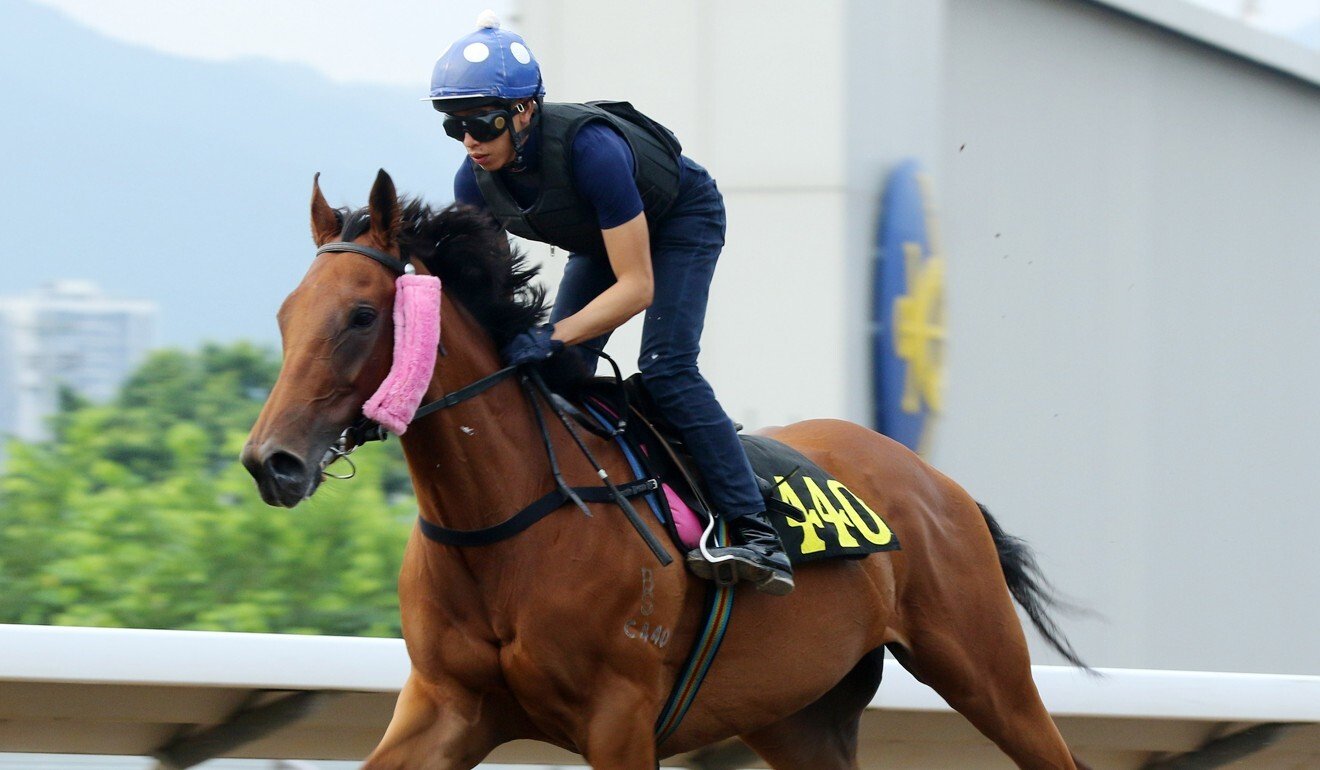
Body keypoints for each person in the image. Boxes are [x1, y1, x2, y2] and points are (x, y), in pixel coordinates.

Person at [426, 12, 793, 595]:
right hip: (601, 237)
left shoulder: (592, 150)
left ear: (525, 111)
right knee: (557, 372)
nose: (471, 141)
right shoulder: (473, 183)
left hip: (679, 220)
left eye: (483, 123)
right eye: (455, 128)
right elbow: (491, 297)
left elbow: (637, 287)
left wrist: (553, 333)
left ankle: (755, 527)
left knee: (668, 368)